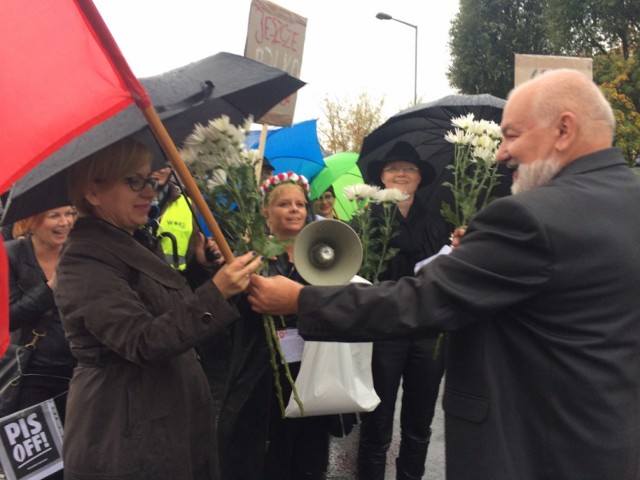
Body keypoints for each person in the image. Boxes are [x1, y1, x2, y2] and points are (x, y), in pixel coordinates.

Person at [247, 68, 640, 480]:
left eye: (512, 135)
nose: (502, 154)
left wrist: (298, 300)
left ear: (563, 129)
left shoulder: (530, 218)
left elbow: (422, 299)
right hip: (609, 441)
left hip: (537, 450)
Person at [53, 137, 263, 480]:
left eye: (150, 180)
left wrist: (202, 270)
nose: (150, 192)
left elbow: (169, 311)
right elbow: (141, 340)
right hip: (125, 431)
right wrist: (216, 292)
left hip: (168, 416)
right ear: (93, 191)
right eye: (133, 181)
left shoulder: (134, 239)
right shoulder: (84, 257)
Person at [217, 172, 331, 480]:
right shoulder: (250, 256)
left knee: (310, 452)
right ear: (265, 211)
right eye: (284, 204)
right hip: (266, 371)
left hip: (312, 367)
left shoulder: (322, 254)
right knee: (271, 452)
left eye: (299, 203)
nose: (295, 209)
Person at [357, 140, 450, 480]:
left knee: (418, 426)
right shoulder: (366, 221)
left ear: (420, 178)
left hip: (427, 333)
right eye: (393, 168)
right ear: (381, 176)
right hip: (384, 332)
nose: (401, 173)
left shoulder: (439, 223)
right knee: (376, 426)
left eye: (408, 168)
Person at [6, 207, 77, 420]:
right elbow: (8, 318)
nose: (65, 222)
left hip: (79, 370)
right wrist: (50, 287)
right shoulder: (10, 254)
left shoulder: (78, 252)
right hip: (31, 374)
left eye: (69, 214)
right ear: (32, 221)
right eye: (54, 216)